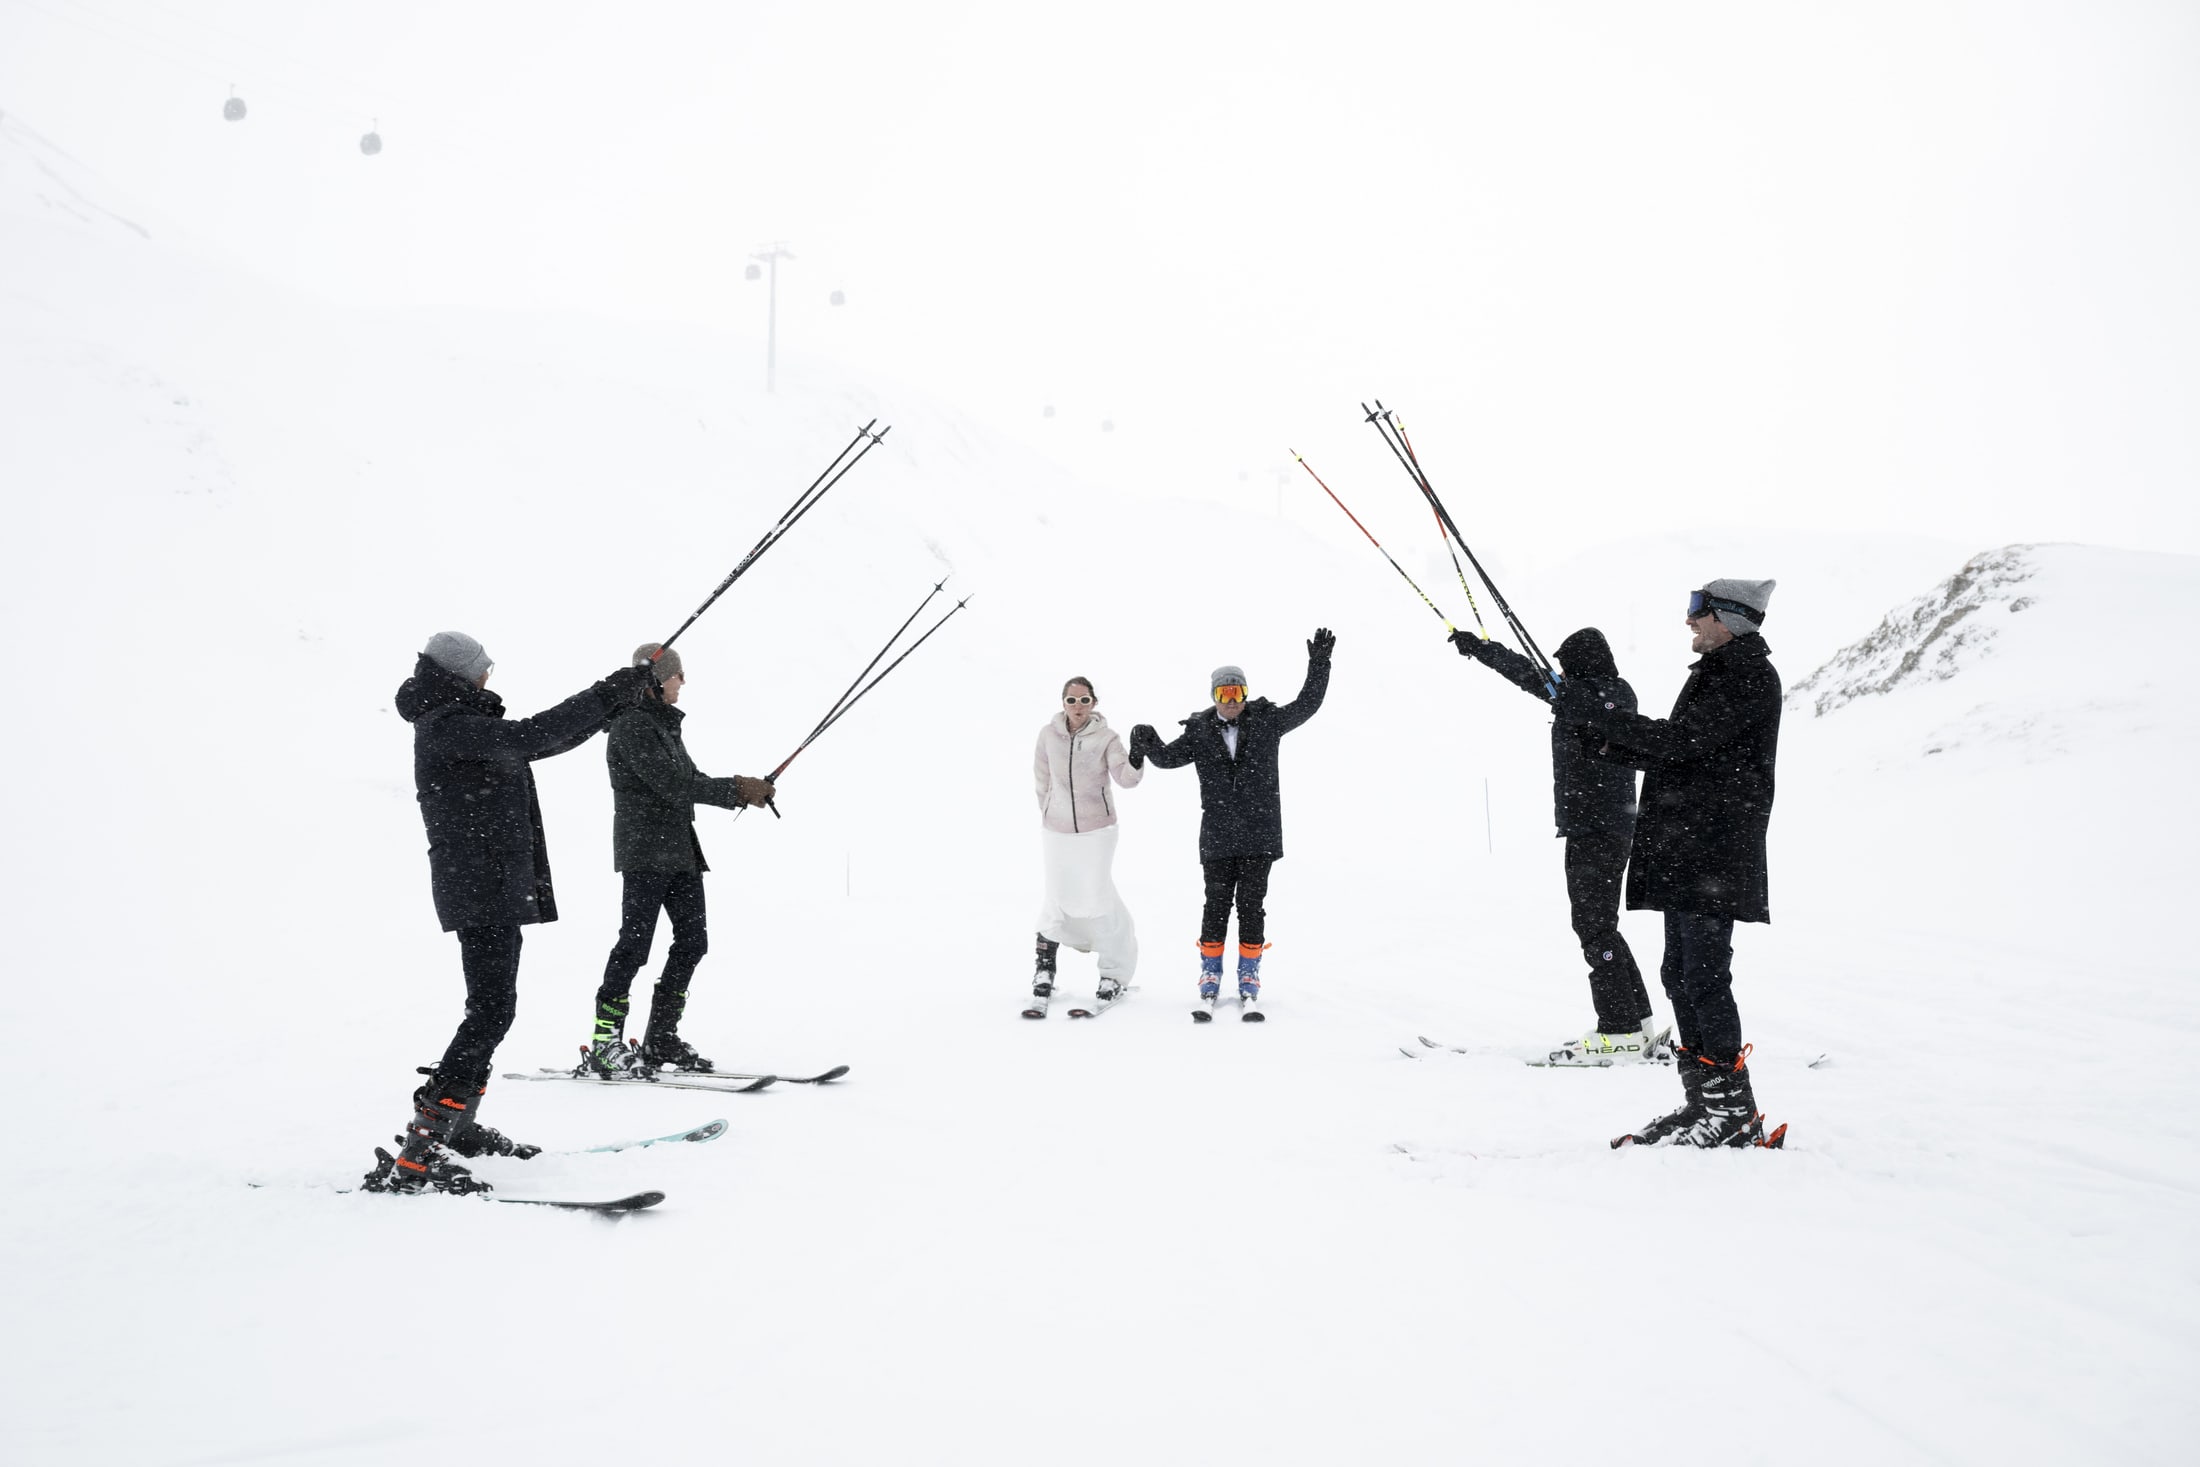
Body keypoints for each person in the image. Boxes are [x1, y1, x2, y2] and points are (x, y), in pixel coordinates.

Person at [364, 631, 655, 1195]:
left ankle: (456, 1127)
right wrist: (606, 692)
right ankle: (422, 1150)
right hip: (480, 883)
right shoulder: (450, 725)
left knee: (494, 1007)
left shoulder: (454, 718)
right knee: (491, 1011)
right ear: (457, 673)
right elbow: (532, 736)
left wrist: (615, 700)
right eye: (482, 669)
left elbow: (536, 739)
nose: (488, 677)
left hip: (489, 880)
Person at [1553, 579, 1785, 1148]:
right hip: (1691, 849)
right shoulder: (1718, 673)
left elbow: (1681, 745)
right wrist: (1596, 735)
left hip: (1715, 849)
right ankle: (1703, 1104)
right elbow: (1673, 746)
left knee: (1704, 977)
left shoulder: (1747, 676)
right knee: (1680, 974)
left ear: (1730, 619)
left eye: (1698, 613)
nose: (1690, 622)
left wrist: (1599, 717)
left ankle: (1730, 1115)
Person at [1452, 625, 1663, 1065]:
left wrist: (1548, 684)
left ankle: (1619, 1028)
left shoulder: (1611, 696)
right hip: (1599, 825)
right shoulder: (1582, 693)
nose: (1562, 671)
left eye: (1568, 663)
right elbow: (1535, 676)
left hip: (1598, 828)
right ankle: (1638, 1023)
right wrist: (1486, 650)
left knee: (1593, 926)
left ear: (1584, 662)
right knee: (1601, 924)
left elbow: (1551, 687)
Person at [582, 643, 776, 1074]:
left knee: (693, 942)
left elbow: (690, 780)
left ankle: (661, 1038)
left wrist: (746, 789)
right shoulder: (631, 725)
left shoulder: (663, 725)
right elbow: (673, 785)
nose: (683, 681)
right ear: (657, 679)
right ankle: (604, 1040)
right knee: (634, 946)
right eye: (677, 674)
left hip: (679, 850)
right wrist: (737, 789)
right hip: (646, 853)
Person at [1130, 629, 1334, 1018]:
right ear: (1213, 696)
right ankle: (1210, 974)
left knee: (1252, 906)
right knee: (1216, 906)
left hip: (1259, 833)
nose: (1232, 701)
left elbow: (1307, 704)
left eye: (1237, 693)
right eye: (1224, 694)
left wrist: (1319, 664)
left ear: (1245, 694)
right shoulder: (1200, 731)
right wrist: (1147, 740)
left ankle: (1249, 975)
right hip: (1219, 834)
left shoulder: (1268, 721)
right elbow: (1167, 760)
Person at [1028, 676, 1144, 1013]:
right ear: (1062, 702)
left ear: (1094, 703)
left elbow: (1127, 779)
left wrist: (1138, 755)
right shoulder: (1048, 735)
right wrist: (1050, 811)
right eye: (1071, 700)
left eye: (1084, 700)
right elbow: (1041, 778)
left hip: (1097, 833)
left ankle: (1112, 973)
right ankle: (1044, 970)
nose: (1077, 707)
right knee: (1056, 899)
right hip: (1057, 832)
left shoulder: (1107, 738)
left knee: (1096, 899)